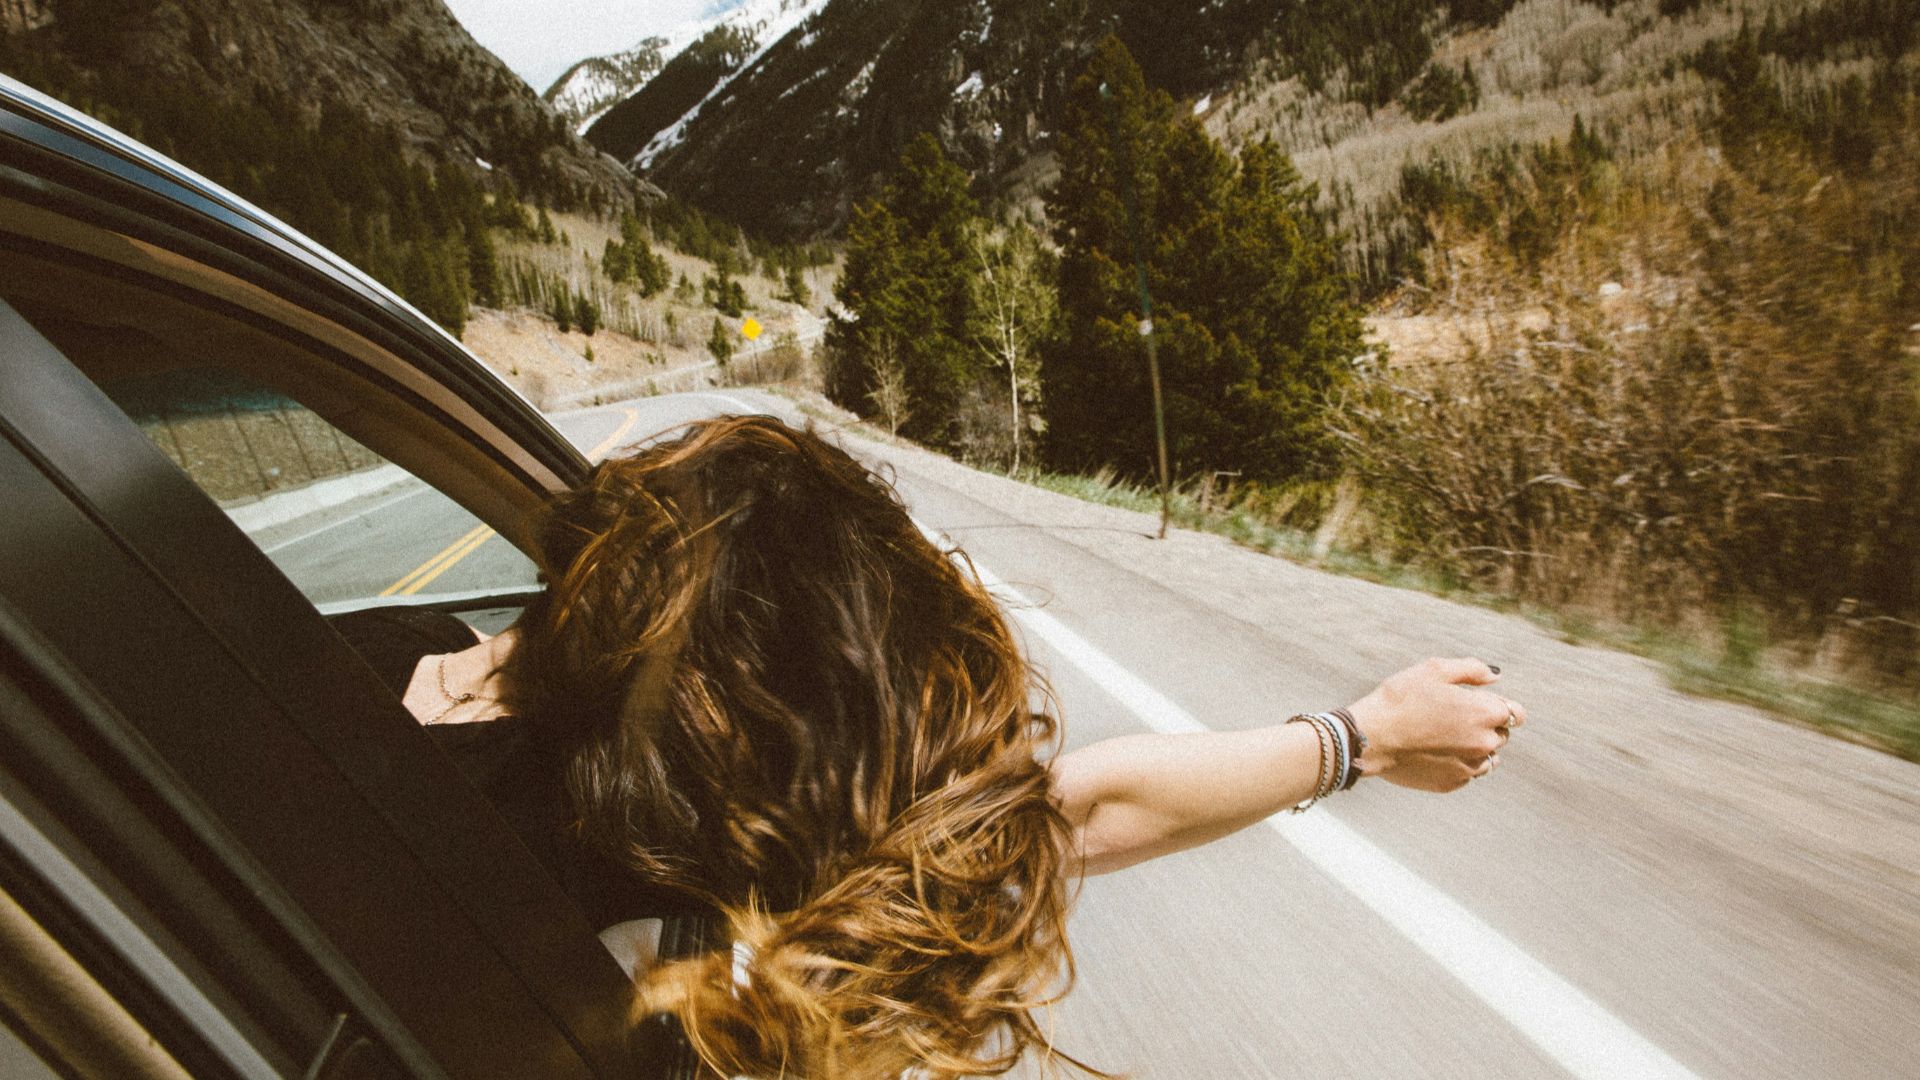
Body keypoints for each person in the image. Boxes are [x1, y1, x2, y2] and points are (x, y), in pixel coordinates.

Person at [334, 414, 1524, 1080]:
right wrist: (1358, 739)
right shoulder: (646, 843)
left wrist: (1360, 737)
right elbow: (1077, 813)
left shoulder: (342, 656)